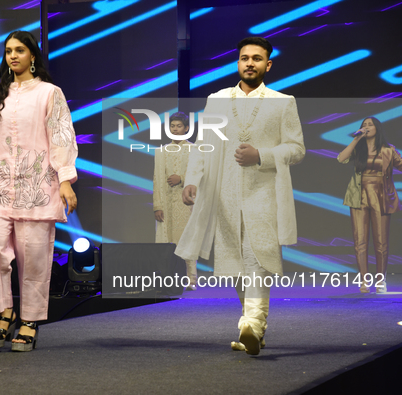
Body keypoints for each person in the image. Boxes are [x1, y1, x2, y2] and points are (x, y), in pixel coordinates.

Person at [175, 37, 305, 355]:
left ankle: (251, 325)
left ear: (267, 65)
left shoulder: (282, 101)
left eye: (257, 58)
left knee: (257, 258)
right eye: (245, 58)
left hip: (265, 192)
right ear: (238, 63)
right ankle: (253, 328)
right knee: (235, 263)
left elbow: (297, 149)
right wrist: (192, 179)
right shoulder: (217, 100)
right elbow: (204, 144)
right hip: (224, 193)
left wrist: (261, 154)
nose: (250, 63)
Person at [0, 31, 78, 352]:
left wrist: (64, 179)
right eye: (8, 51)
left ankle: (30, 320)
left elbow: (61, 135)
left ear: (33, 55)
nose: (13, 56)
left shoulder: (50, 93)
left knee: (33, 255)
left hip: (36, 185)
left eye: (20, 50)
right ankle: (6, 309)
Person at [337, 117, 402, 293]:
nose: (366, 127)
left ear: (377, 128)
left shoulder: (389, 150)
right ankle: (364, 281)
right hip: (359, 196)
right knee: (360, 241)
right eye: (363, 125)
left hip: (381, 196)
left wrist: (397, 154)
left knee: (381, 242)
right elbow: (341, 159)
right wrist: (356, 139)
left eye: (370, 125)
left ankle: (381, 281)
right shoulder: (358, 149)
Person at [153, 112, 198, 290]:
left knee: (188, 240)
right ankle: (165, 279)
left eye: (179, 126)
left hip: (187, 203)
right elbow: (157, 179)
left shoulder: (194, 150)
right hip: (167, 203)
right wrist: (157, 205)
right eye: (172, 126)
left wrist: (182, 178)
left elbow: (200, 176)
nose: (175, 129)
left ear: (186, 128)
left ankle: (191, 279)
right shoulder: (161, 151)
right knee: (166, 243)